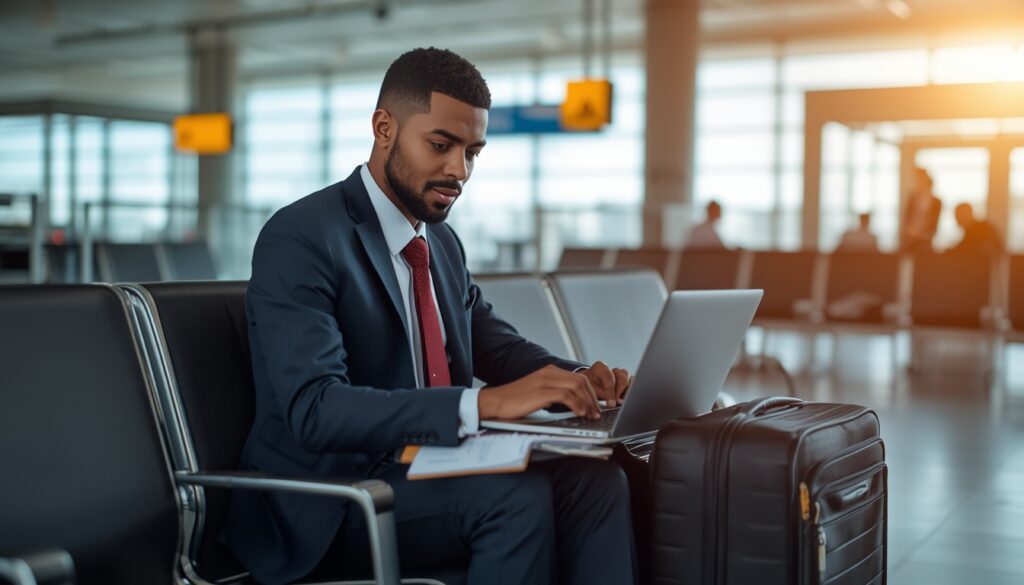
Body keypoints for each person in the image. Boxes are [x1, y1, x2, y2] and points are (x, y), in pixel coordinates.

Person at [224, 47, 637, 585]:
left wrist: (581, 380)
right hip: (327, 501)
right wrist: (482, 403)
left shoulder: (440, 244)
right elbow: (314, 408)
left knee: (596, 480)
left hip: (426, 466)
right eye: (441, 145)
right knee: (512, 498)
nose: (458, 170)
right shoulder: (302, 237)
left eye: (473, 152)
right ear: (384, 128)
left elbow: (500, 347)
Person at [900, 168, 941, 253]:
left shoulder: (936, 202)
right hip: (911, 240)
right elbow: (906, 219)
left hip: (926, 240)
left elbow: (935, 223)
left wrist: (924, 233)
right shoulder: (912, 199)